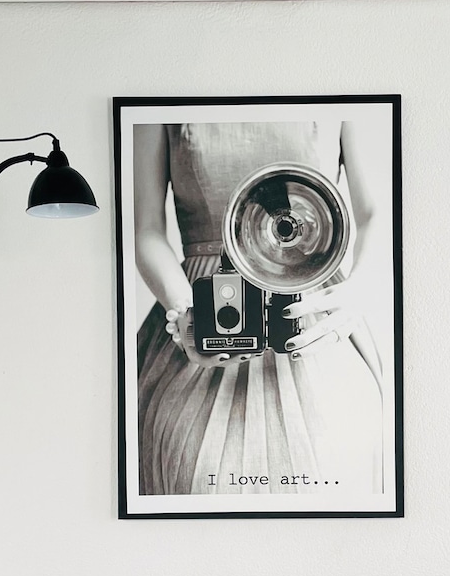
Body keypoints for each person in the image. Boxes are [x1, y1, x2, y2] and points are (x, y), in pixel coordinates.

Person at [132, 117, 383, 498]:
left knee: (337, 458)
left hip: (313, 303)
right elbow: (146, 228)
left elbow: (373, 214)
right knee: (188, 464)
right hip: (203, 300)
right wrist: (185, 312)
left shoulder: (345, 90)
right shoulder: (157, 95)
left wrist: (357, 292)